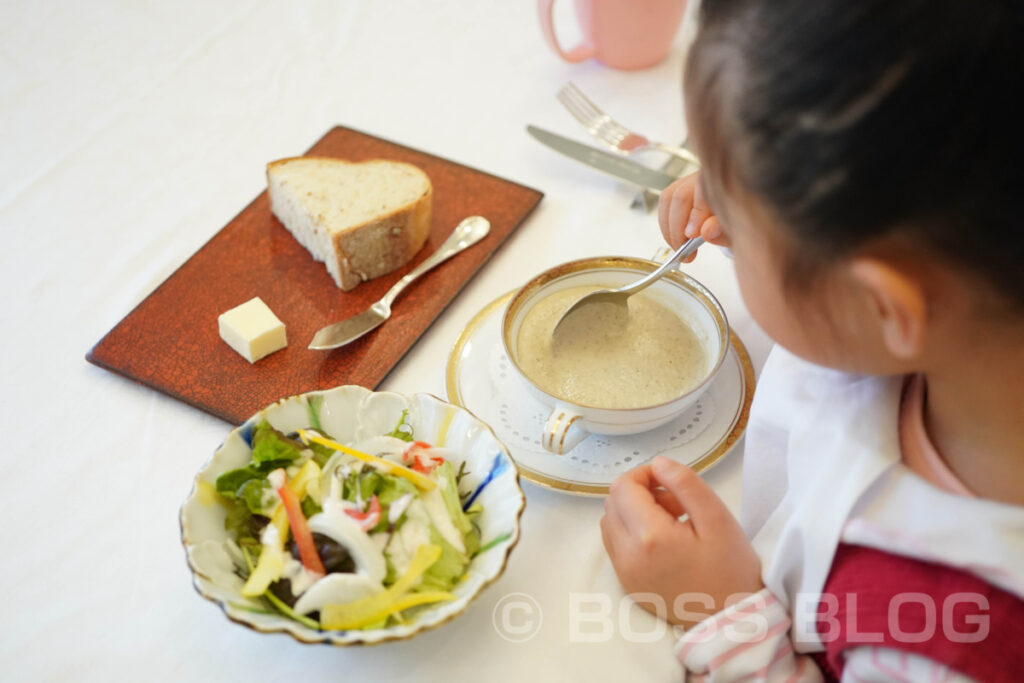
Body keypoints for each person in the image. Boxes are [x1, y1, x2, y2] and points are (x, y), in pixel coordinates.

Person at [599, 0, 1024, 680]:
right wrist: (760, 207)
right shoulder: (972, 302)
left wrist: (726, 615)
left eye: (735, 205)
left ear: (882, 303)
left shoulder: (939, 640)